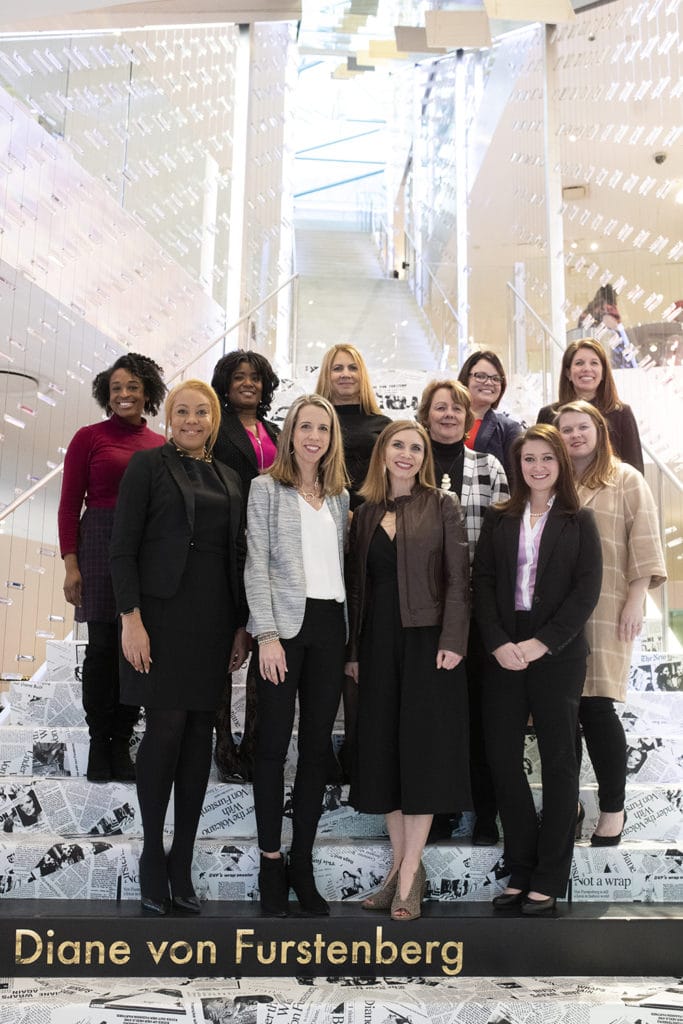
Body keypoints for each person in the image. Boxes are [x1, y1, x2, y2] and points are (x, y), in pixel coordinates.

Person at [110, 379, 249, 915]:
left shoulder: (231, 477)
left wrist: (241, 625)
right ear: (169, 417)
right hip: (160, 618)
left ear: (214, 420)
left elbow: (237, 554)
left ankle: (182, 861)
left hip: (214, 619)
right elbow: (122, 549)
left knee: (197, 736)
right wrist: (131, 619)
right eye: (182, 412)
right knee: (165, 729)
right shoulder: (147, 467)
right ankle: (151, 853)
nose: (192, 420)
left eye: (201, 412)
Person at [472, 424, 602, 915]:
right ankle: (521, 868)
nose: (538, 467)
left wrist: (542, 643)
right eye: (529, 459)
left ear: (560, 464)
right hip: (504, 649)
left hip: (558, 652)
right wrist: (499, 642)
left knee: (559, 760)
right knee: (502, 759)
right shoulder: (501, 518)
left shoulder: (579, 520)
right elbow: (481, 582)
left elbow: (585, 592)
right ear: (518, 465)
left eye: (547, 458)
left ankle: (550, 875)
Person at [345, 420, 471, 922]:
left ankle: (411, 868)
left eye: (416, 448)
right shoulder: (364, 512)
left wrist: (453, 641)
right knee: (385, 755)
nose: (406, 453)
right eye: (398, 444)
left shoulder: (443, 505)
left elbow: (460, 579)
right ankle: (400, 869)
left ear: (425, 458)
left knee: (420, 755)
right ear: (382, 451)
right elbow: (357, 591)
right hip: (376, 646)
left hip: (428, 644)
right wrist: (352, 651)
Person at [245, 394, 349, 917]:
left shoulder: (338, 497)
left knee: (314, 751)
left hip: (331, 627)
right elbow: (256, 564)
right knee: (271, 746)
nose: (314, 437)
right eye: (305, 427)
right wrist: (265, 635)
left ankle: (301, 863)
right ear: (289, 434)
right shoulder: (266, 488)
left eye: (323, 429)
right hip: (283, 630)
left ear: (332, 438)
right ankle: (270, 860)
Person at [557, 401, 666, 845]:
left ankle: (614, 810)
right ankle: (569, 807)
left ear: (599, 430)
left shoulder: (625, 479)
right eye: (566, 429)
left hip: (606, 609)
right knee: (559, 713)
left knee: (596, 706)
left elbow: (643, 540)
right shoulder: (555, 481)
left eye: (583, 427)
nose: (575, 435)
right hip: (555, 614)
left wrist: (636, 600)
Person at [58, 353, 166, 783]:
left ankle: (123, 743)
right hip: (99, 544)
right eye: (117, 387)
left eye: (133, 387)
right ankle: (99, 745)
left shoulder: (160, 445)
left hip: (145, 551)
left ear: (147, 393)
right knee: (103, 651)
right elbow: (69, 505)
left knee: (134, 654)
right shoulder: (89, 437)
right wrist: (71, 565)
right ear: (107, 393)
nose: (124, 394)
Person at [417, 379, 509, 846]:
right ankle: (444, 808)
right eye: (439, 408)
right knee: (440, 717)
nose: (448, 414)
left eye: (456, 407)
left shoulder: (490, 466)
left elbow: (506, 540)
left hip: (481, 611)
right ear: (425, 414)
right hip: (427, 613)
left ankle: (487, 811)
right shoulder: (412, 463)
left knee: (482, 715)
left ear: (469, 416)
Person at [315, 344, 391, 779]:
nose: (344, 374)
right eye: (336, 368)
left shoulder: (383, 426)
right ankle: (322, 748)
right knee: (329, 653)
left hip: (369, 544)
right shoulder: (315, 422)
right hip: (321, 544)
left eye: (352, 367)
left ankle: (362, 751)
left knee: (363, 652)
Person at [211, 349, 281, 783]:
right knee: (223, 649)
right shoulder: (215, 429)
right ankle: (223, 744)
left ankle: (255, 745)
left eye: (255, 377)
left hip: (270, 551)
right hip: (225, 549)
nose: (248, 383)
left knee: (264, 646)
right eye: (239, 377)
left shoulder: (276, 431)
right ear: (226, 383)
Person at [537, 339, 644, 473]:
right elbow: (540, 464)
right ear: (568, 373)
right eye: (579, 363)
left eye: (594, 363)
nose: (587, 369)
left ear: (603, 372)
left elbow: (635, 468)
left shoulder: (621, 413)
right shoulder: (548, 414)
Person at [457, 350, 521, 480]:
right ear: (465, 379)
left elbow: (514, 480)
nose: (489, 382)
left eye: (496, 378)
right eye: (480, 376)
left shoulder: (509, 429)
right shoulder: (446, 420)